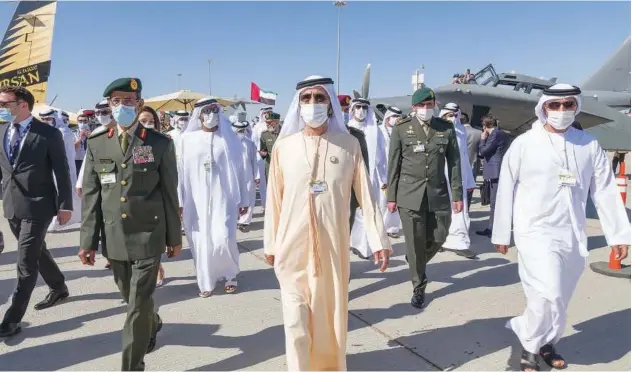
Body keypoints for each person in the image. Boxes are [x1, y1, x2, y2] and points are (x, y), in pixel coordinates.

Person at [491, 84, 631, 371]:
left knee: (561, 297)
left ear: (576, 107)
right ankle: (530, 346)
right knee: (547, 292)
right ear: (543, 108)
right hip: (535, 231)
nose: (562, 111)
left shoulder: (588, 144)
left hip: (572, 234)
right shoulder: (524, 144)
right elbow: (505, 188)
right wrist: (502, 231)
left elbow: (604, 191)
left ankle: (547, 341)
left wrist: (618, 235)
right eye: (555, 105)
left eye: (568, 104)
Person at [264, 75, 391, 371]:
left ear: (331, 104)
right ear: (298, 104)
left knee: (328, 320)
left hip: (332, 248)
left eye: (319, 98)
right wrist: (271, 243)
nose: (313, 104)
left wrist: (379, 241)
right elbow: (273, 201)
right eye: (306, 98)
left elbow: (367, 196)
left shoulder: (349, 145)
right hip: (291, 249)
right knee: (295, 320)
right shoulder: (284, 148)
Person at [78, 78, 182, 371]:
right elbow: (91, 196)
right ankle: (153, 320)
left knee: (136, 306)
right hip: (114, 238)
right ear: (109, 105)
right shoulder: (98, 143)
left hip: (149, 235)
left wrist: (174, 237)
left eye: (128, 100)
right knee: (132, 300)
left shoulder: (159, 143)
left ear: (139, 103)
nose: (122, 106)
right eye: (116, 101)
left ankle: (132, 366)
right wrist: (87, 241)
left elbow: (169, 194)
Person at [0, 86, 73, 338]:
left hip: (39, 205)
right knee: (37, 250)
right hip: (12, 205)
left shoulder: (48, 133)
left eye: (5, 103)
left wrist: (65, 205)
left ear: (22, 104)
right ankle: (59, 287)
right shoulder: (2, 131)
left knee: (26, 262)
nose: (1, 108)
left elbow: (62, 171)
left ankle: (12, 319)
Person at [386, 87, 463, 309]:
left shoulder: (445, 128)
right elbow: (394, 164)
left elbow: (455, 163)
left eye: (430, 105)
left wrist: (457, 194)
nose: (426, 109)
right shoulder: (402, 129)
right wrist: (391, 196)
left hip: (437, 193)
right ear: (414, 108)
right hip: (409, 194)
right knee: (414, 240)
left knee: (440, 235)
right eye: (422, 106)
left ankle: (416, 259)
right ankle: (419, 286)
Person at [178, 97, 250, 297]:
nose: (210, 115)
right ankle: (206, 281)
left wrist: (244, 200)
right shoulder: (186, 140)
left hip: (223, 197)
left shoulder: (229, 139)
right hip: (196, 199)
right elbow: (179, 171)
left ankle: (230, 274)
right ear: (199, 115)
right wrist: (179, 201)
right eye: (206, 111)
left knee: (224, 237)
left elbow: (241, 171)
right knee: (201, 241)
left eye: (214, 110)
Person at [348, 98, 388, 260]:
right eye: (358, 107)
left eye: (364, 107)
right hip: (350, 179)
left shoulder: (374, 130)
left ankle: (365, 246)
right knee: (353, 213)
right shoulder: (346, 129)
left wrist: (384, 178)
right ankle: (354, 242)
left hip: (371, 177)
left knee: (368, 213)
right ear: (352, 109)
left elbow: (382, 155)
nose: (361, 110)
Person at [76, 99, 114, 269]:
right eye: (98, 113)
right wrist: (80, 182)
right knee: (106, 223)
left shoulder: (126, 131)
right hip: (104, 182)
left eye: (105, 112)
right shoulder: (97, 134)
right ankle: (111, 255)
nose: (101, 116)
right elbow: (88, 163)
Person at [438, 103, 477, 259]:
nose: (453, 119)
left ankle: (460, 242)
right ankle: (440, 240)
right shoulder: (438, 132)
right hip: (442, 178)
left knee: (460, 212)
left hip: (459, 180)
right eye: (449, 115)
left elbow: (464, 158)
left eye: (455, 115)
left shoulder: (461, 131)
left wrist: (469, 181)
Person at [39, 109, 82, 232]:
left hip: (64, 167)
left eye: (48, 119)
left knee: (62, 194)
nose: (45, 122)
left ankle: (58, 221)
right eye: (43, 119)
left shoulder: (62, 132)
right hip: (58, 167)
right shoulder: (60, 131)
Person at [476, 114, 508, 238]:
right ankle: (492, 227)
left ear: (485, 126)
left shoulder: (495, 134)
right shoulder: (500, 133)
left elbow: (483, 151)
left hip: (495, 171)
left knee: (495, 202)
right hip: (496, 170)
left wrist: (483, 139)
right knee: (495, 201)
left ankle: (493, 229)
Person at [379, 106, 403, 238]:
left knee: (395, 200)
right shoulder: (379, 131)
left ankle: (392, 228)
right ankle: (380, 227)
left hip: (398, 171)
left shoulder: (400, 131)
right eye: (394, 117)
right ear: (387, 117)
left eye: (398, 117)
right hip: (382, 170)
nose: (396, 119)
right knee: (383, 200)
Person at [233, 120, 259, 232]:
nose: (241, 132)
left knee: (249, 197)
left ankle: (244, 221)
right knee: (234, 197)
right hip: (234, 176)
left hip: (248, 175)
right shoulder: (228, 143)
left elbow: (255, 161)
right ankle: (234, 219)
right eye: (238, 130)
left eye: (242, 130)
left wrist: (256, 175)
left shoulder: (250, 143)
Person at [252, 106, 273, 211]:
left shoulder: (276, 125)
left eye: (270, 112)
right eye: (266, 112)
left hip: (273, 157)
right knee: (263, 183)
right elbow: (254, 142)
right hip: (261, 157)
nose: (267, 114)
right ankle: (266, 206)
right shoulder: (257, 127)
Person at [461, 112, 481, 208]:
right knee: (469, 193)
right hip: (472, 165)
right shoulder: (478, 133)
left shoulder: (456, 131)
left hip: (457, 166)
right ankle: (466, 212)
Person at [259, 112, 281, 182]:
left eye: (270, 122)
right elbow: (263, 149)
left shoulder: (285, 133)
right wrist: (262, 154)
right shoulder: (264, 135)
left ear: (277, 122)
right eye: (267, 123)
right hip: (270, 167)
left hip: (283, 166)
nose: (267, 124)